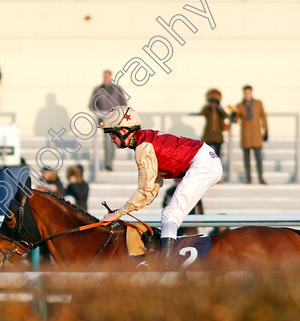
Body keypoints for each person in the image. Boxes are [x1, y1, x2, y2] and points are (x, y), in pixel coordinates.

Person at [98, 106, 222, 268]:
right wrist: (123, 211)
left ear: (124, 131)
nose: (111, 139)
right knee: (168, 214)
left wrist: (118, 213)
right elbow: (151, 190)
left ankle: (166, 266)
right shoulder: (144, 140)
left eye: (113, 134)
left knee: (170, 214)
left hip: (204, 163)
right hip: (206, 158)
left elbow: (146, 191)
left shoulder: (143, 148)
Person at [90, 70, 128, 172]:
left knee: (113, 141)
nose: (106, 79)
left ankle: (109, 162)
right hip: (104, 120)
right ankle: (108, 163)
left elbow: (123, 103)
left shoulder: (117, 89)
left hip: (115, 120)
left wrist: (119, 113)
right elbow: (92, 104)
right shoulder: (98, 90)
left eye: (108, 77)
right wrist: (99, 112)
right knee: (108, 141)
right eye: (105, 77)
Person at [231, 85, 268, 184]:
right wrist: (233, 115)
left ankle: (261, 177)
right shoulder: (239, 105)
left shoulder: (258, 103)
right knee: (246, 159)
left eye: (249, 93)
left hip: (256, 134)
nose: (247, 95)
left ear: (251, 93)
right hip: (246, 135)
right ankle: (248, 178)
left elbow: (263, 117)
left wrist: (266, 130)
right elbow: (236, 120)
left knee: (258, 158)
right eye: (246, 93)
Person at [200, 88, 228, 158]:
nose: (213, 103)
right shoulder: (207, 109)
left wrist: (219, 107)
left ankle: (217, 167)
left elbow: (225, 116)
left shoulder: (219, 110)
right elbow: (202, 113)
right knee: (206, 154)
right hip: (208, 135)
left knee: (217, 155)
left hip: (218, 136)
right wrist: (208, 104)